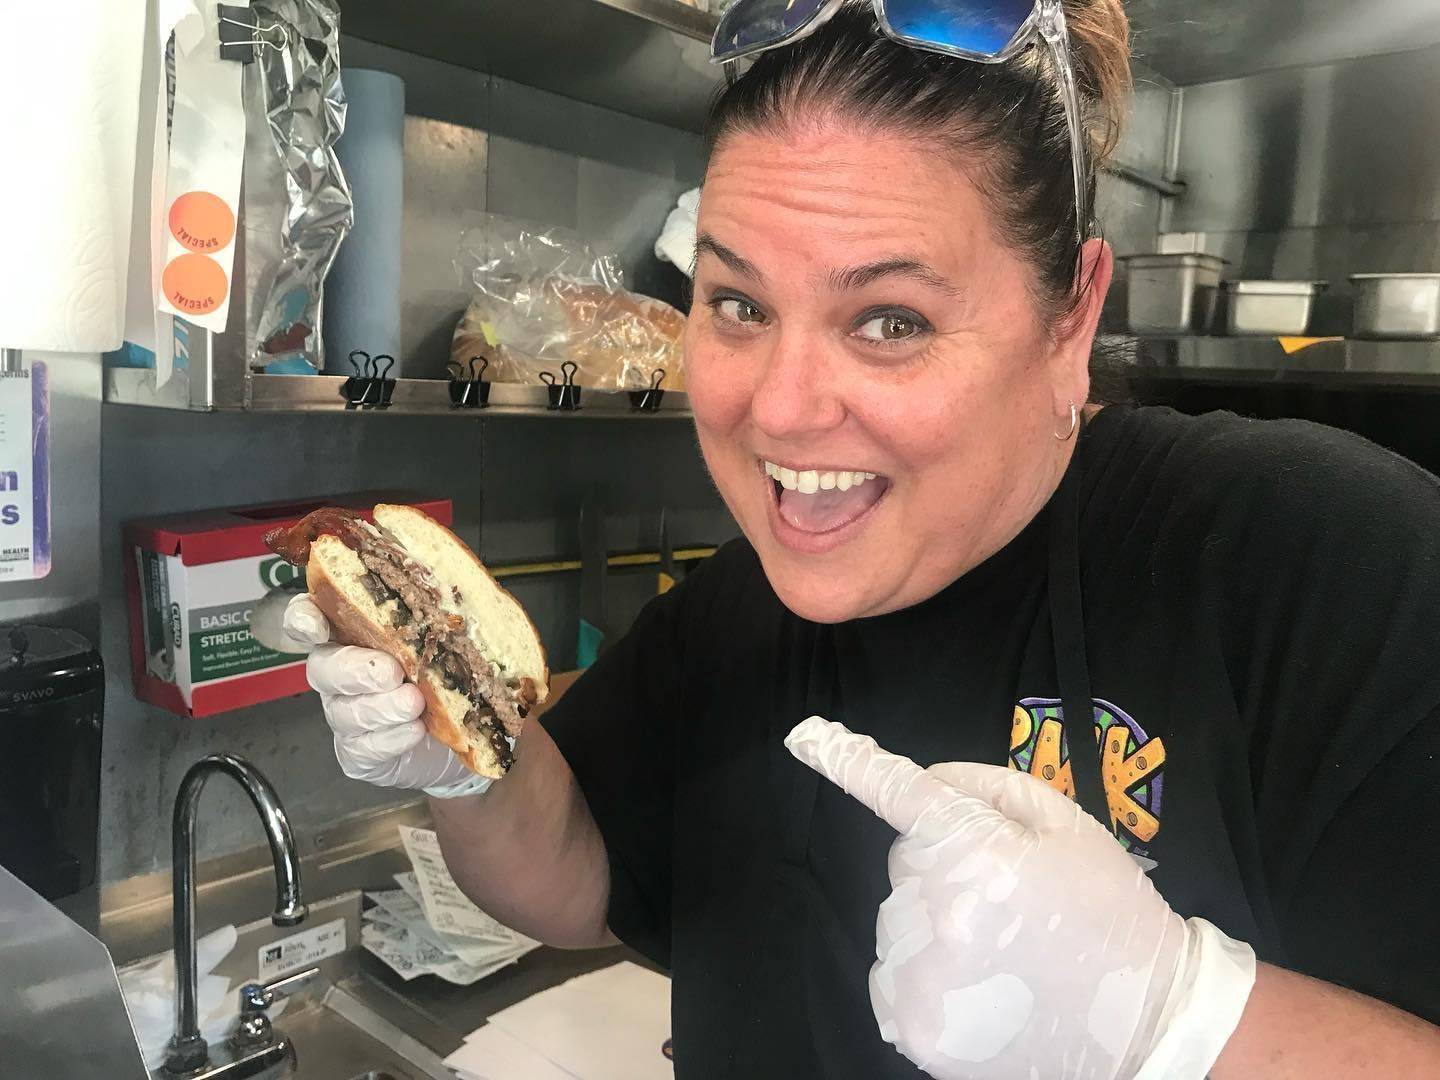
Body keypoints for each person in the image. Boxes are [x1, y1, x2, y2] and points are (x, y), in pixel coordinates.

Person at [284, 1, 1440, 1076]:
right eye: (738, 304)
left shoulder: (1321, 567)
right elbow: (581, 878)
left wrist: (1176, 1013)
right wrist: (463, 765)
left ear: (1072, 317)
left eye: (890, 320)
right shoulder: (733, 615)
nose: (780, 408)